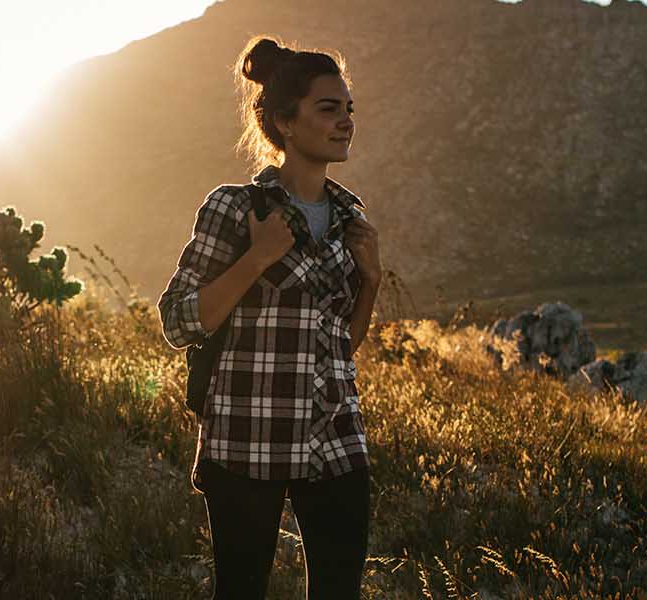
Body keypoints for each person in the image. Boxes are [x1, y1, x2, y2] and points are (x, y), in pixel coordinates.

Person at [157, 37, 383, 600]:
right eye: (328, 109)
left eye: (348, 109)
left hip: (336, 438)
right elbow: (177, 321)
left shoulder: (350, 217)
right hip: (246, 437)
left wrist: (371, 280)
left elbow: (340, 347)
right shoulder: (235, 209)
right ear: (284, 122)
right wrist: (257, 258)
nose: (345, 122)